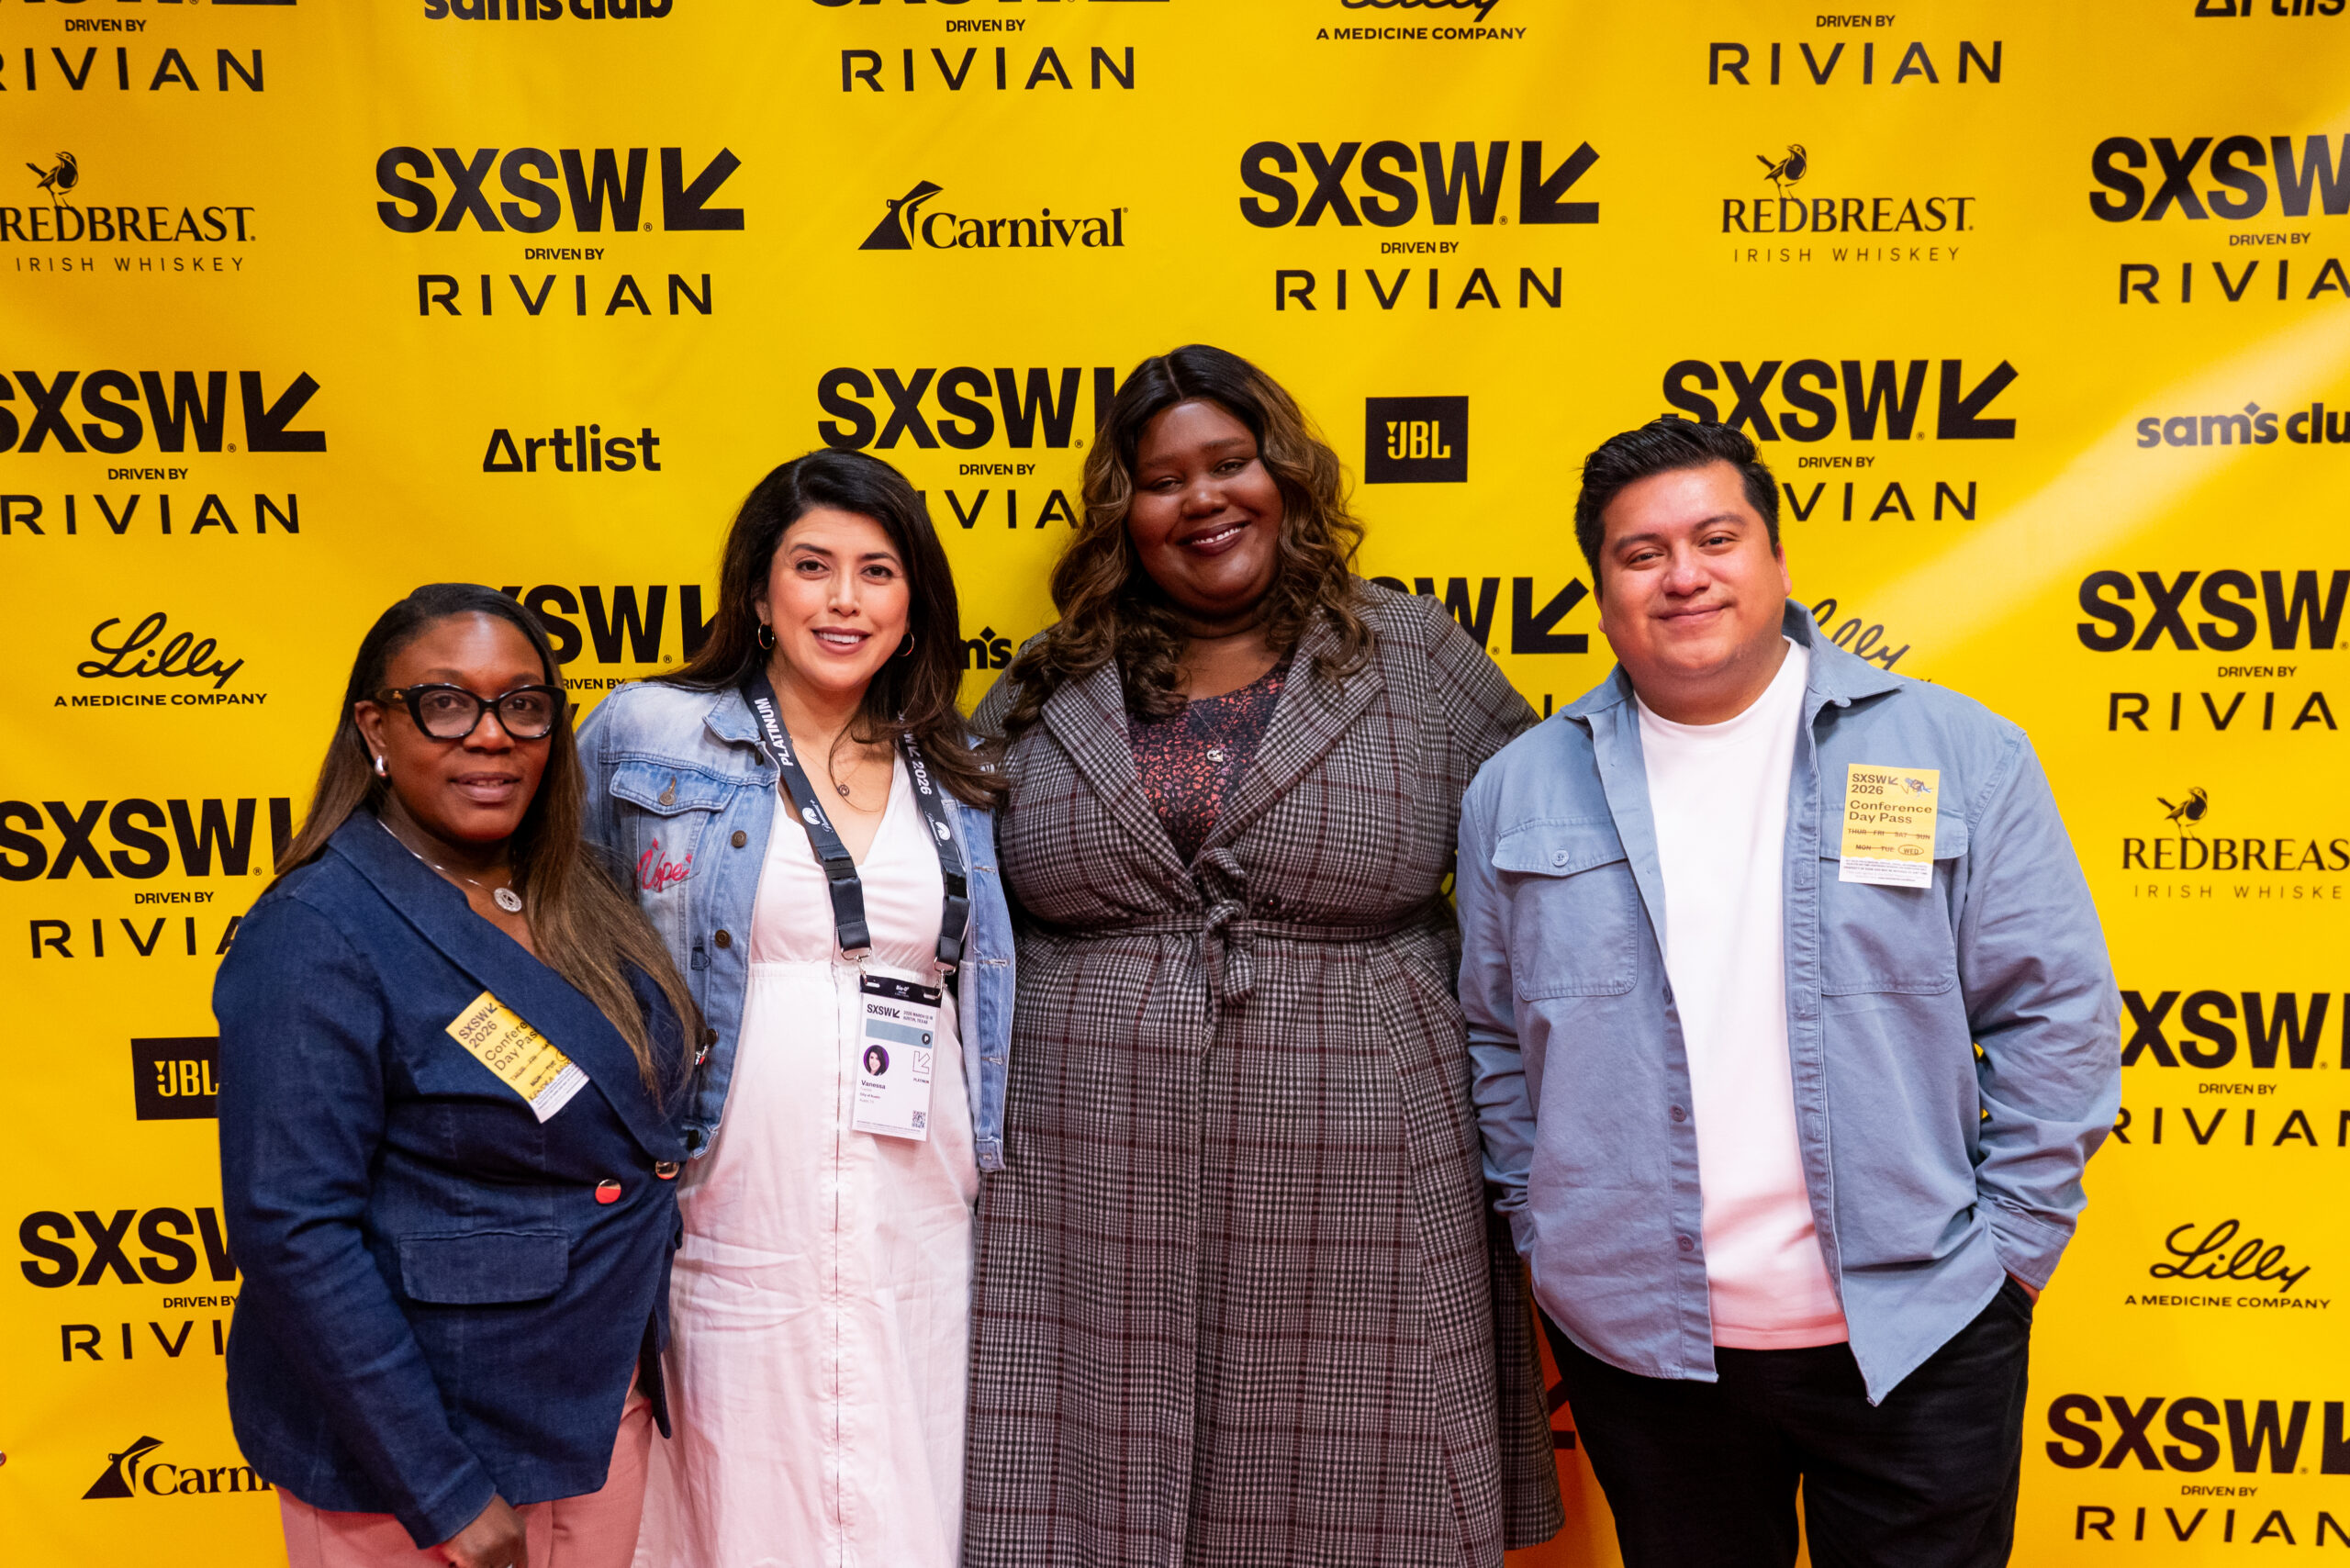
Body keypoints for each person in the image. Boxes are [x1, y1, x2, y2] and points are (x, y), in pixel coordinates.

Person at [1457, 417, 2121, 1568]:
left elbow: (2055, 1012)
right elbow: (1495, 1037)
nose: (1683, 574)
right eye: (1640, 552)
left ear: (1776, 560)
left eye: (1715, 536)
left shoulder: (1957, 753)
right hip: (1644, 1345)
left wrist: (2003, 1258)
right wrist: (1547, 1228)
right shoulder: (1518, 791)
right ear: (1602, 590)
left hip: (1921, 1329)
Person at [962, 344, 1562, 1568]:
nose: (1203, 499)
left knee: (1359, 1482)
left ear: (1282, 475)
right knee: (1083, 1484)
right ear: (1123, 511)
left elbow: (1541, 878)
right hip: (1084, 1166)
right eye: (1164, 477)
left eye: (1230, 463)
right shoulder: (1046, 679)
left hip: (1363, 1150)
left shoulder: (1414, 657)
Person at [575, 449, 1015, 1568]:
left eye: (876, 571)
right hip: (728, 1197)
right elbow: (561, 941)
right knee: (738, 1493)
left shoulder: (954, 767)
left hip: (919, 1207)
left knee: (908, 1489)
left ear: (913, 606)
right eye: (811, 566)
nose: (842, 599)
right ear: (760, 592)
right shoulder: (648, 734)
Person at [215, 584, 700, 1568]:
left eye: (524, 704)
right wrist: (443, 1491)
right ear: (375, 727)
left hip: (594, 1411)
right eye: (447, 703)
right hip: (420, 1460)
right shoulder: (316, 930)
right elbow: (292, 1230)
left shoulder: (584, 891)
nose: (492, 736)